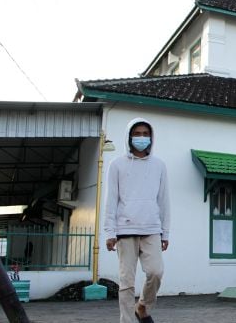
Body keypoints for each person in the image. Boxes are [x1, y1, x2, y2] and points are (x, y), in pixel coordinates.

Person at [104, 118, 170, 323]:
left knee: (156, 272)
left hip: (151, 229)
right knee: (126, 282)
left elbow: (164, 200)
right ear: (129, 136)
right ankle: (126, 320)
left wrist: (165, 232)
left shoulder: (159, 165)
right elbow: (111, 200)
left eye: (145, 134)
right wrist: (109, 232)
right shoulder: (117, 165)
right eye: (137, 134)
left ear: (151, 138)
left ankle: (142, 306)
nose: (141, 138)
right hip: (124, 229)